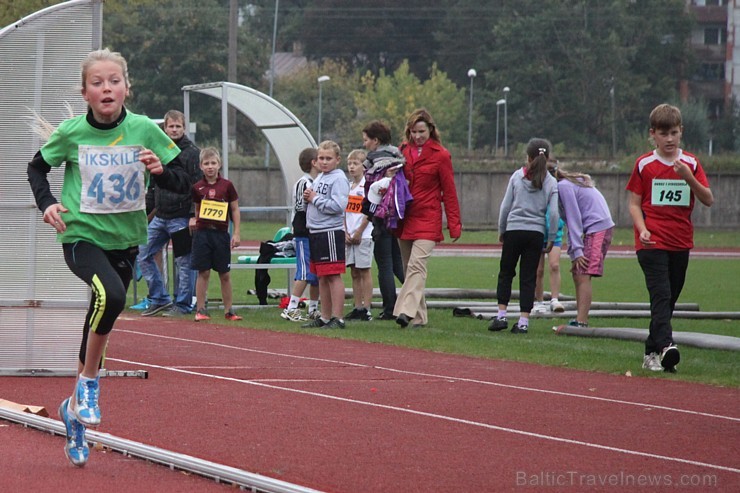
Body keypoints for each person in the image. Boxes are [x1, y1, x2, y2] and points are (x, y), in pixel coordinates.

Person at [26, 48, 191, 467]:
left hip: (125, 240)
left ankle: (74, 416)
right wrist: (46, 203)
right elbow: (35, 168)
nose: (106, 88)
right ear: (85, 93)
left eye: (113, 80)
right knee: (113, 297)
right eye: (97, 82)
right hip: (80, 235)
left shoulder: (143, 130)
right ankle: (88, 386)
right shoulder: (71, 132)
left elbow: (182, 183)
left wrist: (160, 172)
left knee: (100, 312)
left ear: (126, 88)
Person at [626, 103, 713, 373]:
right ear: (653, 134)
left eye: (674, 133)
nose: (669, 139)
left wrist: (688, 178)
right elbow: (633, 203)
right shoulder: (644, 164)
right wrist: (642, 228)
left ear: (681, 132)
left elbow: (708, 199)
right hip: (651, 242)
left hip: (680, 241)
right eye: (663, 134)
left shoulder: (691, 163)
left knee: (669, 298)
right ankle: (667, 346)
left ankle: (651, 351)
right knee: (661, 294)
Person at [394, 109, 462, 328]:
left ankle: (404, 311)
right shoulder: (402, 151)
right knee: (409, 269)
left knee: (417, 266)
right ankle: (419, 318)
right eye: (413, 132)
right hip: (405, 217)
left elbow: (449, 192)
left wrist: (454, 224)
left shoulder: (441, 155)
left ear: (431, 129)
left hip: (429, 217)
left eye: (421, 131)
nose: (417, 136)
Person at [490, 138, 559, 334]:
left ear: (528, 157)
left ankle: (501, 316)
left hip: (514, 229)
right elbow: (553, 213)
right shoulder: (551, 182)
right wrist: (551, 236)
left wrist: (502, 230)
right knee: (528, 277)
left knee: (506, 273)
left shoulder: (517, 177)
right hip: (535, 232)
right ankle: (523, 321)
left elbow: (505, 206)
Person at [139, 110, 202, 317]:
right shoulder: (159, 149)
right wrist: (146, 212)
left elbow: (197, 185)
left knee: (184, 261)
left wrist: (194, 214)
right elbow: (153, 186)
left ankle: (183, 304)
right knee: (143, 254)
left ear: (184, 128)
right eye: (170, 126)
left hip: (182, 216)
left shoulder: (192, 153)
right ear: (164, 128)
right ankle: (159, 298)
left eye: (178, 126)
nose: (174, 130)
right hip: (160, 215)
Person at [556, 166, 615, 327]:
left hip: (597, 228)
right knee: (578, 273)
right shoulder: (564, 186)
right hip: (593, 228)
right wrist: (574, 253)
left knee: (583, 274)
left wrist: (577, 250)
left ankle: (582, 321)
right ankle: (579, 318)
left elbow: (573, 218)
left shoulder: (563, 186)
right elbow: (569, 221)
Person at [301, 140, 350, 329]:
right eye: (321, 158)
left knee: (333, 275)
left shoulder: (338, 179)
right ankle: (325, 316)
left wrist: (315, 198)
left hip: (330, 231)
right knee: (322, 276)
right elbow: (317, 200)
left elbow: (338, 207)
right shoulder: (321, 177)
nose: (324, 162)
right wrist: (309, 198)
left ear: (337, 160)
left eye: (328, 158)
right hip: (316, 230)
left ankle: (338, 317)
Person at [191, 147, 243, 322]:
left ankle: (229, 311)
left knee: (224, 273)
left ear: (219, 164)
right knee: (203, 272)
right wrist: (195, 221)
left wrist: (236, 233)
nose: (210, 167)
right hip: (203, 234)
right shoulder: (197, 187)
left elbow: (234, 209)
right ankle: (200, 309)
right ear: (201, 166)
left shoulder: (227, 186)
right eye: (206, 163)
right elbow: (197, 209)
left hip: (221, 235)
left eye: (213, 163)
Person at [361, 120, 405, 321]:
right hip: (399, 215)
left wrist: (370, 213)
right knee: (398, 263)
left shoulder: (374, 161)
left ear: (375, 140)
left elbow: (371, 189)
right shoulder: (398, 156)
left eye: (366, 140)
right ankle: (415, 299)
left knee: (385, 264)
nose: (365, 145)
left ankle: (390, 308)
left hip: (381, 217)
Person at [281, 147, 321, 322]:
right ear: (313, 162)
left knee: (316, 274)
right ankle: (291, 308)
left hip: (315, 233)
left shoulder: (318, 181)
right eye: (321, 158)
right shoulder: (304, 183)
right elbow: (300, 209)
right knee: (304, 272)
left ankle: (313, 308)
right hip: (303, 233)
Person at [344, 149, 373, 321]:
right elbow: (344, 212)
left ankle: (367, 308)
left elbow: (369, 213)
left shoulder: (367, 187)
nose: (352, 167)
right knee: (354, 271)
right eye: (349, 164)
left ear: (363, 166)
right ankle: (357, 306)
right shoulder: (348, 187)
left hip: (364, 235)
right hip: (349, 235)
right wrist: (346, 232)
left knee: (364, 270)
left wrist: (359, 231)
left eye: (356, 164)